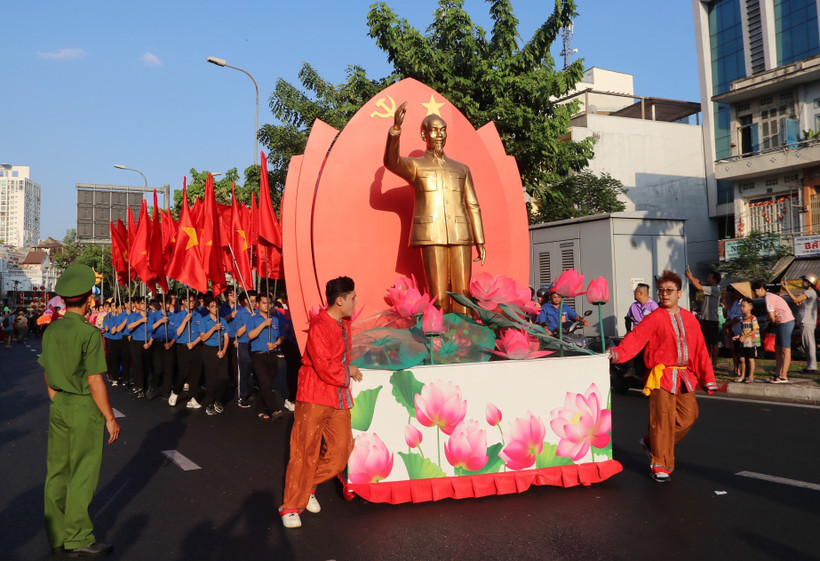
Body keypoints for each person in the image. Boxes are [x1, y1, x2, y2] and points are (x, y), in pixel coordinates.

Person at [39, 263, 120, 557]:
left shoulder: (51, 330)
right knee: (83, 472)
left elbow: (47, 373)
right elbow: (95, 379)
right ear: (88, 299)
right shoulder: (89, 332)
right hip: (83, 405)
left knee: (57, 471)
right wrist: (110, 418)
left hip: (59, 403)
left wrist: (58, 399)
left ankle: (56, 536)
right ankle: (79, 536)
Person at [608, 270, 717, 482]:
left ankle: (651, 442)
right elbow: (635, 338)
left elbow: (700, 349)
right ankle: (659, 463)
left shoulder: (690, 319)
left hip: (685, 376)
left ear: (679, 293)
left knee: (689, 417)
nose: (664, 294)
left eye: (669, 290)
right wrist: (616, 353)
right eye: (661, 291)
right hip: (661, 376)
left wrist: (707, 377)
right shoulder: (654, 318)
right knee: (662, 421)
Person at [384, 101, 486, 314]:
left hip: (461, 234)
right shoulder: (416, 166)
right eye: (434, 130)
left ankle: (463, 338)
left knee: (463, 293)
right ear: (424, 135)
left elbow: (473, 205)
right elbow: (392, 162)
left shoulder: (461, 169)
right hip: (431, 233)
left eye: (443, 130)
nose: (439, 135)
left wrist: (480, 240)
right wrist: (396, 129)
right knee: (437, 293)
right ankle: (437, 339)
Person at [279, 276, 363, 529]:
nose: (355, 301)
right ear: (340, 300)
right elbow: (324, 365)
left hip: (337, 396)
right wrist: (348, 372)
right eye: (353, 298)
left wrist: (347, 368)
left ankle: (308, 486)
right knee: (304, 451)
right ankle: (291, 506)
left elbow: (338, 360)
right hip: (314, 395)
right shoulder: (319, 326)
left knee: (341, 451)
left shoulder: (343, 324)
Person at [247, 293, 285, 420]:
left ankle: (259, 409)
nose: (266, 305)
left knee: (266, 384)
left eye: (269, 303)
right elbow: (251, 335)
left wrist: (276, 344)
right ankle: (274, 410)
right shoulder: (253, 319)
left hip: (272, 355)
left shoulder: (275, 319)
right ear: (258, 304)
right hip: (258, 355)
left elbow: (282, 336)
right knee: (265, 383)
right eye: (264, 303)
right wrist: (263, 325)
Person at [752, 280, 795, 383]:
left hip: (786, 322)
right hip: (781, 323)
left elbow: (771, 316)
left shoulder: (768, 297)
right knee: (778, 349)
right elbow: (770, 315)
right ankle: (777, 374)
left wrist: (771, 323)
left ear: (761, 289)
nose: (755, 293)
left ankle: (783, 375)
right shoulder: (769, 297)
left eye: (755, 291)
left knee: (785, 349)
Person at [194, 294, 230, 415]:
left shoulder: (223, 320)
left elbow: (226, 336)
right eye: (212, 306)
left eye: (217, 306)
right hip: (209, 350)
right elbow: (203, 338)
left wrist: (224, 350)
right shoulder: (204, 320)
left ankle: (217, 399)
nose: (215, 308)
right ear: (208, 308)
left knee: (224, 377)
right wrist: (214, 329)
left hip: (221, 350)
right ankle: (209, 402)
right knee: (211, 379)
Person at [169, 294, 203, 409]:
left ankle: (192, 398)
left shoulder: (198, 316)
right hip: (183, 346)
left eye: (194, 301)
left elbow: (201, 334)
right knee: (184, 372)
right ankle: (175, 391)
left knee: (195, 373)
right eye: (190, 301)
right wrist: (185, 320)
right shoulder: (178, 316)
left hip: (196, 346)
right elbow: (177, 333)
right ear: (184, 301)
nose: (192, 303)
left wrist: (194, 343)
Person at [685, 268, 721, 368]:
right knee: (707, 342)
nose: (707, 278)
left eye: (709, 277)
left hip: (712, 319)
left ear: (714, 280)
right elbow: (699, 282)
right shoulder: (710, 287)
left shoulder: (714, 289)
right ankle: (708, 361)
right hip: (706, 319)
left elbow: (699, 287)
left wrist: (690, 277)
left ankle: (714, 362)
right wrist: (691, 276)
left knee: (713, 342)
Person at [781, 275, 818, 375]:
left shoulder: (809, 292)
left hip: (807, 321)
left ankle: (812, 367)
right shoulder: (809, 293)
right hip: (805, 321)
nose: (803, 282)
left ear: (809, 282)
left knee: (809, 344)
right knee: (807, 344)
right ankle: (810, 365)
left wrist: (787, 289)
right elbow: (800, 304)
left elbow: (796, 300)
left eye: (804, 281)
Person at [233, 290, 257, 408]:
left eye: (255, 301)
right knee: (244, 370)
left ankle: (251, 391)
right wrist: (250, 322)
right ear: (246, 301)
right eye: (251, 301)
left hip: (256, 345)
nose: (253, 303)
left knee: (255, 369)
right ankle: (242, 396)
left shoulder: (258, 312)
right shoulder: (240, 314)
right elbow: (238, 332)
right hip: (243, 344)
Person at [733, 297, 759, 383]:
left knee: (750, 359)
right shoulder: (742, 319)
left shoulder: (753, 318)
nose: (742, 308)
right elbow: (742, 331)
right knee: (742, 359)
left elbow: (754, 330)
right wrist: (738, 336)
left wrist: (745, 336)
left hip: (751, 342)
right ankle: (742, 375)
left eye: (744, 306)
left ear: (750, 307)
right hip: (743, 342)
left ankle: (750, 376)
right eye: (741, 306)